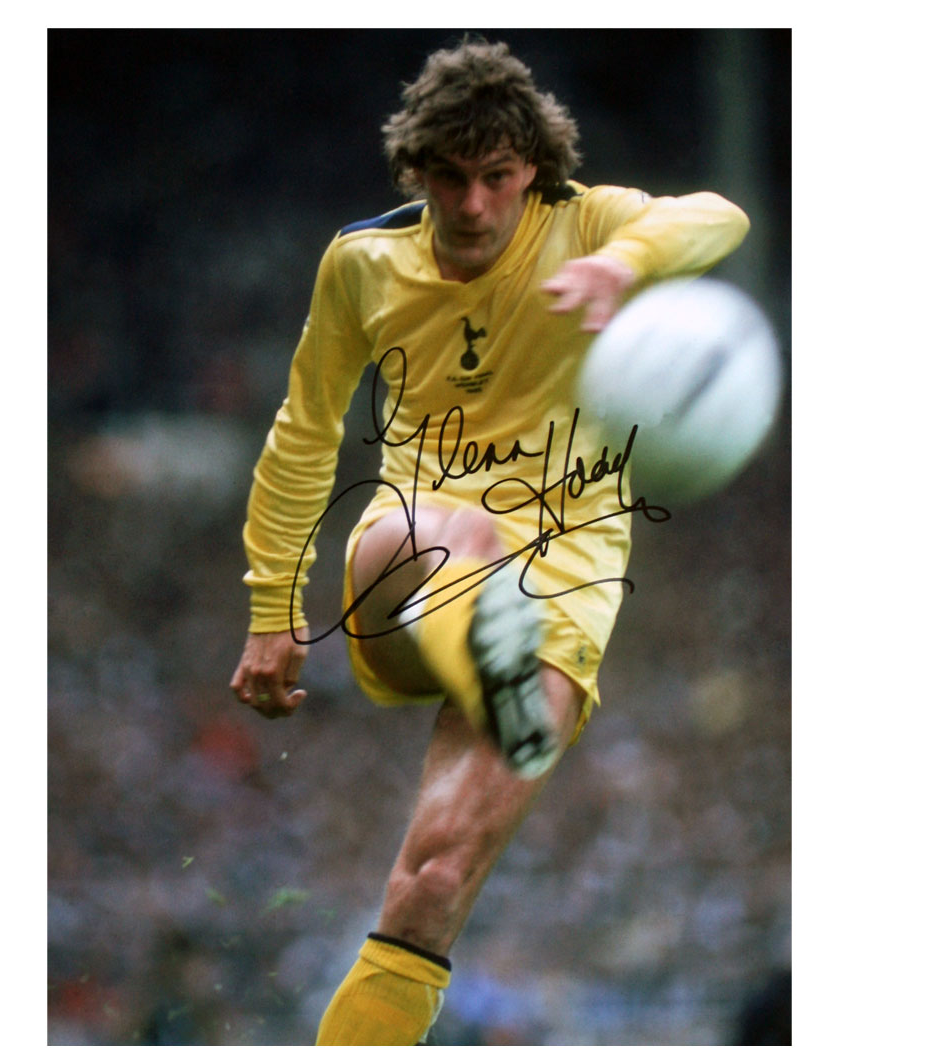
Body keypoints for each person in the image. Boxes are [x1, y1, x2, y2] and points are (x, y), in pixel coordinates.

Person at [230, 37, 749, 1045]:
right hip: (410, 553)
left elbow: (717, 217)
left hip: (564, 586)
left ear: (533, 173)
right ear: (415, 170)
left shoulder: (588, 222)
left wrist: (621, 262)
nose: (472, 205)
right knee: (449, 533)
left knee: (433, 877)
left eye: (497, 179)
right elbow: (303, 434)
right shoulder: (363, 261)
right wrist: (269, 610)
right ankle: (486, 627)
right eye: (449, 178)